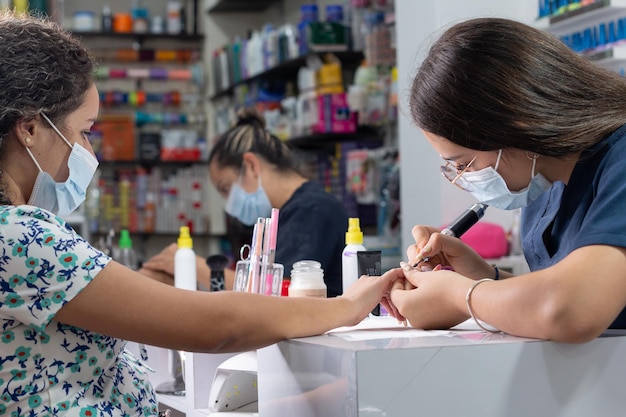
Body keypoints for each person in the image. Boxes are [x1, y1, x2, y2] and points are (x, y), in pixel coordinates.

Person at [0, 12, 400, 416]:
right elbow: (218, 326)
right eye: (85, 131)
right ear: (30, 128)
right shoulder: (20, 235)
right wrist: (348, 306)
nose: (89, 152)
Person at [388, 17, 626, 343]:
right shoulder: (543, 183)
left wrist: (461, 295)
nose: (463, 178)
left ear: (518, 124)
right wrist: (485, 277)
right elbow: (546, 300)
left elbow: (568, 310)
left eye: (463, 163)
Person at [140, 108, 349, 297]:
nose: (228, 203)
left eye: (226, 188)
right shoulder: (287, 214)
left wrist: (196, 267)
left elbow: (271, 295)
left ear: (250, 166)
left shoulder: (312, 211)